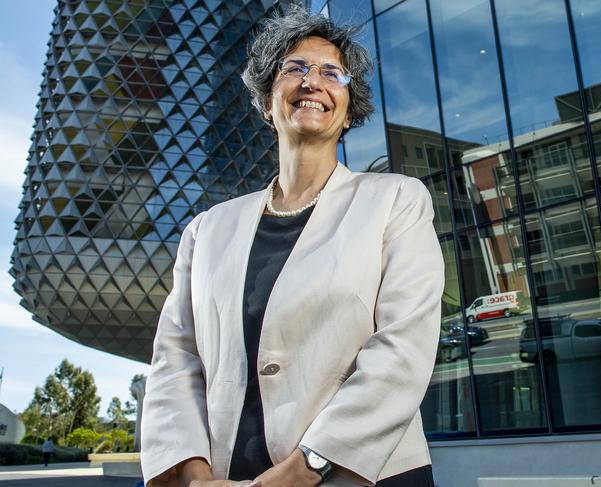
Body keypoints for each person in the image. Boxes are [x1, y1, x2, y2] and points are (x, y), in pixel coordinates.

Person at [141, 5, 443, 487]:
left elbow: (404, 345)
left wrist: (310, 465)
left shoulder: (395, 201)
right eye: (294, 68)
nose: (312, 82)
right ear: (267, 102)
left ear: (348, 110)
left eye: (331, 73)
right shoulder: (206, 230)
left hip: (358, 473)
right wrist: (193, 475)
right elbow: (175, 359)